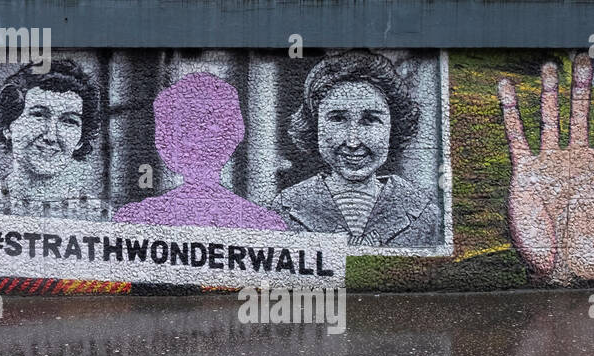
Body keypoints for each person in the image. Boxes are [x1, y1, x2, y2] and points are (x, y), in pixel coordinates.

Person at [270, 51, 440, 246]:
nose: (353, 142)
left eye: (370, 120)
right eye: (338, 118)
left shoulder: (424, 214)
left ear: (393, 126)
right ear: (314, 124)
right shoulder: (285, 208)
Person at [113, 72, 286, 229]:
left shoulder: (137, 219)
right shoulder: (263, 223)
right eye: (187, 126)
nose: (196, 136)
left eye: (208, 124)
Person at [0, 59, 107, 219]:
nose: (51, 136)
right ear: (8, 126)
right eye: (38, 115)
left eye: (69, 121)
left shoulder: (101, 217)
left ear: (80, 140)